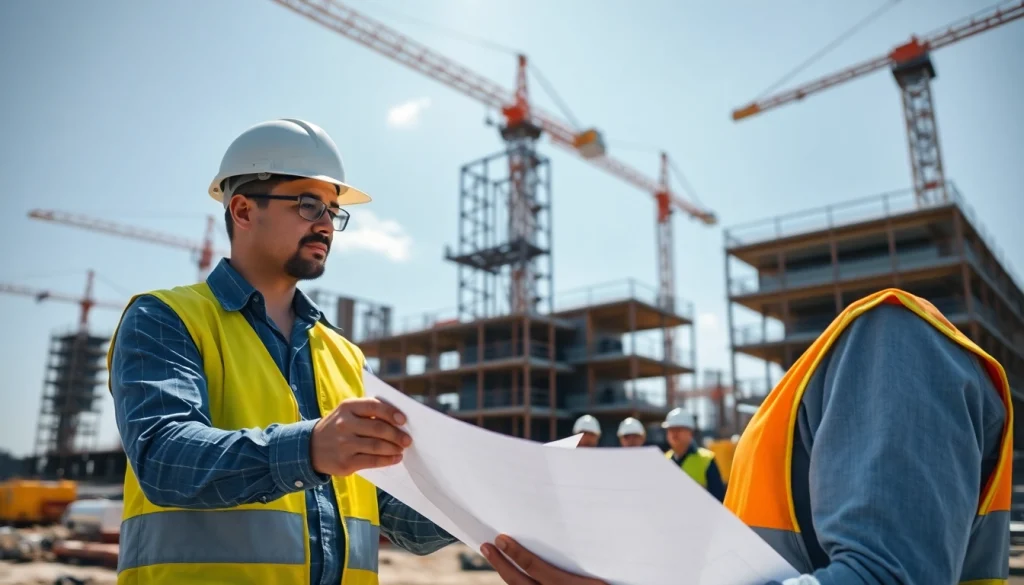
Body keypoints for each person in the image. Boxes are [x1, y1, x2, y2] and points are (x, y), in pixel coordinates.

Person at [107, 118, 458, 585]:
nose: (326, 225)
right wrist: (310, 448)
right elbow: (164, 458)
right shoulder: (165, 317)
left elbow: (397, 519)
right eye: (309, 204)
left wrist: (494, 498)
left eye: (334, 212)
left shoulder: (345, 356)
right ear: (244, 210)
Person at [480, 288, 1012, 584]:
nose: (678, 434)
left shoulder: (892, 344)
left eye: (682, 428)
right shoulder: (801, 406)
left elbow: (883, 578)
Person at [662, 407, 726, 502]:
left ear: (690, 432)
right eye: (671, 430)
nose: (674, 434)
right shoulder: (663, 460)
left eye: (679, 429)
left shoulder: (706, 459)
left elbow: (719, 497)